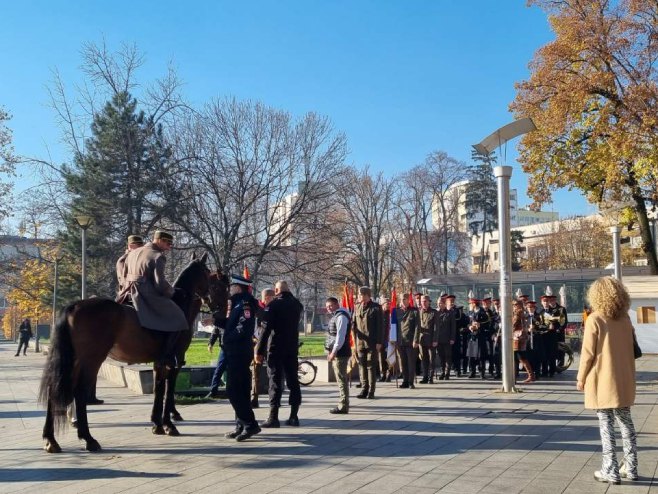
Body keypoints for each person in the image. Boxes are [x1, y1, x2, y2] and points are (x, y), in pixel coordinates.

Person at [577, 276, 638, 484]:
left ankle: (609, 469)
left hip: (602, 378)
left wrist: (581, 378)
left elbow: (587, 354)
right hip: (624, 377)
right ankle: (631, 467)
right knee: (626, 422)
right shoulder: (625, 319)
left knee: (606, 424)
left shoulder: (595, 319)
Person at [121, 230, 187, 369]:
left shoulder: (132, 252)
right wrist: (172, 292)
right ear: (159, 240)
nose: (169, 247)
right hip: (145, 294)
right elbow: (160, 284)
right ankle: (167, 356)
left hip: (127, 292)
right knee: (179, 317)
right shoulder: (158, 256)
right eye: (168, 243)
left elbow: (124, 274)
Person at [256, 280, 304, 427]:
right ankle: (294, 416)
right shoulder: (297, 304)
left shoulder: (274, 305)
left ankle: (273, 417)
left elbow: (265, 329)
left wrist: (259, 350)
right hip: (291, 348)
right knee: (293, 381)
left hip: (276, 347)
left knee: (275, 382)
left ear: (276, 291)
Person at [222, 274, 261, 441]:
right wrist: (215, 322)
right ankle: (240, 424)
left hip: (239, 351)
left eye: (232, 286)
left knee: (233, 390)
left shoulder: (245, 304)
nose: (230, 289)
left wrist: (228, 337)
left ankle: (250, 424)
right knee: (241, 390)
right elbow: (231, 323)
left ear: (238, 287)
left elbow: (242, 328)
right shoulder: (237, 302)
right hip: (235, 351)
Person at [352, 286, 384, 399]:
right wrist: (353, 342)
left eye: (361, 294)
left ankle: (371, 390)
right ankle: (364, 389)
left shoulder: (376, 308)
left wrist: (379, 342)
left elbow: (380, 327)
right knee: (362, 366)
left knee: (371, 366)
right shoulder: (357, 307)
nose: (359, 296)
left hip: (372, 342)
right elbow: (353, 325)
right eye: (359, 295)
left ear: (367, 295)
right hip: (360, 342)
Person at [325, 297, 351, 414]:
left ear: (336, 304)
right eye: (327, 306)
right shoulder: (336, 315)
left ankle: (343, 405)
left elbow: (340, 337)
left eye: (330, 306)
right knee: (340, 379)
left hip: (341, 352)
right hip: (337, 352)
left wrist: (334, 352)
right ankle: (343, 402)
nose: (328, 308)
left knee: (341, 379)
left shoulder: (341, 317)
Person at [251, 288, 275, 408]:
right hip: (258, 343)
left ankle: (273, 397)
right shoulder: (257, 310)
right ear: (267, 298)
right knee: (256, 372)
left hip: (270, 343)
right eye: (272, 297)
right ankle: (254, 397)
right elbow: (255, 327)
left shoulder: (274, 308)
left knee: (272, 371)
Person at [415, 295, 438, 384]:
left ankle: (430, 377)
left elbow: (436, 328)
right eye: (422, 301)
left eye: (425, 301)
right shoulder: (419, 312)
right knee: (424, 359)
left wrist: (435, 340)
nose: (423, 303)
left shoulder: (434, 312)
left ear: (429, 302)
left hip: (431, 339)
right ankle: (425, 376)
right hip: (422, 340)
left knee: (431, 359)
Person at [397, 297, 419, 388]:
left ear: (408, 300)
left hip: (410, 341)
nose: (403, 301)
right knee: (403, 362)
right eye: (401, 300)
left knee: (411, 362)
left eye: (405, 299)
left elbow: (417, 326)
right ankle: (405, 381)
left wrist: (416, 340)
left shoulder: (414, 311)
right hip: (400, 341)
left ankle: (410, 382)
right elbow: (394, 325)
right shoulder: (397, 311)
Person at [512, 300, 534, 383]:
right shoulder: (522, 313)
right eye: (513, 305)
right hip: (521, 338)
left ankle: (514, 378)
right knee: (520, 358)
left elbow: (513, 325)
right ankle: (530, 375)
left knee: (519, 358)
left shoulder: (517, 314)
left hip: (517, 338)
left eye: (515, 305)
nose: (514, 307)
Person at [435, 296, 456, 380]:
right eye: (439, 303)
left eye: (442, 303)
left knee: (448, 356)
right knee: (441, 356)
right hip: (438, 339)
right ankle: (442, 372)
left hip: (447, 338)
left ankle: (447, 373)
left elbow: (453, 327)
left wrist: (452, 338)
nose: (441, 305)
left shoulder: (450, 313)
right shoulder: (436, 313)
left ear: (445, 304)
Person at [205, 325, 226, 399]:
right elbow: (215, 332)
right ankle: (213, 391)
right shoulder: (221, 320)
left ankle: (232, 391)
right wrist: (210, 343)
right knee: (219, 370)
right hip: (224, 348)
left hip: (235, 348)